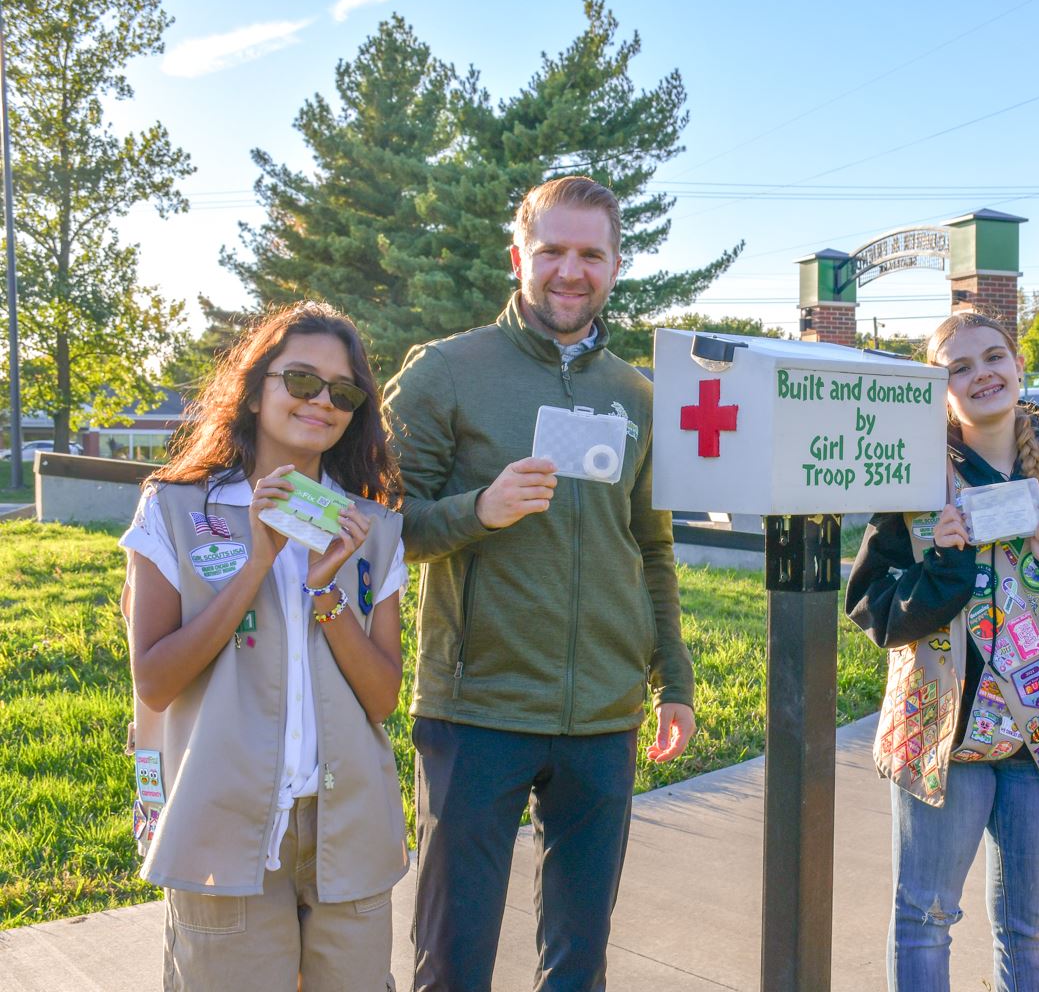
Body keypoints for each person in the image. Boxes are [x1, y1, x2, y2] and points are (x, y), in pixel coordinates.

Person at [382, 175, 696, 992]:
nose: (570, 270)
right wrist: (477, 511)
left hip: (602, 715)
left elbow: (651, 549)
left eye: (590, 253)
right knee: (453, 961)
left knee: (579, 965)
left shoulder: (635, 395)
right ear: (518, 256)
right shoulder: (445, 372)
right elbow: (380, 526)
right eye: (552, 250)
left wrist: (674, 680)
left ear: (615, 266)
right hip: (477, 710)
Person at [846, 311, 1039, 992]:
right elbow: (875, 608)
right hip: (943, 734)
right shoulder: (911, 475)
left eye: (994, 358)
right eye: (959, 367)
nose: (982, 373)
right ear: (941, 387)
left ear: (1020, 368)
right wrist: (946, 564)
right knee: (924, 916)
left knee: (1030, 928)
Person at [120, 302, 409, 991]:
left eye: (342, 392)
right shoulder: (176, 510)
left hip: (348, 829)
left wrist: (324, 592)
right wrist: (256, 562)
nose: (322, 403)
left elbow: (382, 698)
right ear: (254, 389)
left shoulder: (370, 527)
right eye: (302, 380)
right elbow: (155, 681)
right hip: (223, 823)